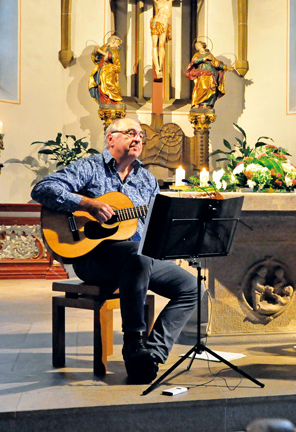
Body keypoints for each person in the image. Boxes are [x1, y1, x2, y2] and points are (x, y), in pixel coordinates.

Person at [31, 118, 199, 384]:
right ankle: (133, 341)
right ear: (111, 138)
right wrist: (88, 205)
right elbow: (42, 189)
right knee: (138, 255)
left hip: (139, 260)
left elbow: (154, 224)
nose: (138, 139)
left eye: (141, 135)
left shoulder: (146, 179)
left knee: (192, 287)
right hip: (92, 258)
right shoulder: (89, 167)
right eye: (131, 133)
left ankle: (151, 355)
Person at [119, 0, 202, 81]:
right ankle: (157, 68)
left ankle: (160, 67)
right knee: (155, 45)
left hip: (164, 24)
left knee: (161, 45)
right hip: (155, 22)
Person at [185, 40, 233, 109]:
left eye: (198, 45)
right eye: (196, 46)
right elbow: (194, 61)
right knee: (200, 87)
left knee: (211, 88)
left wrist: (226, 67)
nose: (197, 46)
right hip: (202, 73)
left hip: (211, 73)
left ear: (202, 45)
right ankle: (197, 103)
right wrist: (204, 58)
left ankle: (207, 104)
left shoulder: (209, 54)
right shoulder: (197, 55)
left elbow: (216, 63)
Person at [88, 34, 123, 105]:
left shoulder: (115, 50)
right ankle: (105, 100)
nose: (118, 45)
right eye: (117, 43)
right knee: (100, 83)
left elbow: (110, 57)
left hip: (110, 69)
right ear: (113, 42)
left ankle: (115, 99)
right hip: (101, 68)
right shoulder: (104, 47)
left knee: (109, 83)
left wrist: (100, 51)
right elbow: (96, 57)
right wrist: (96, 51)